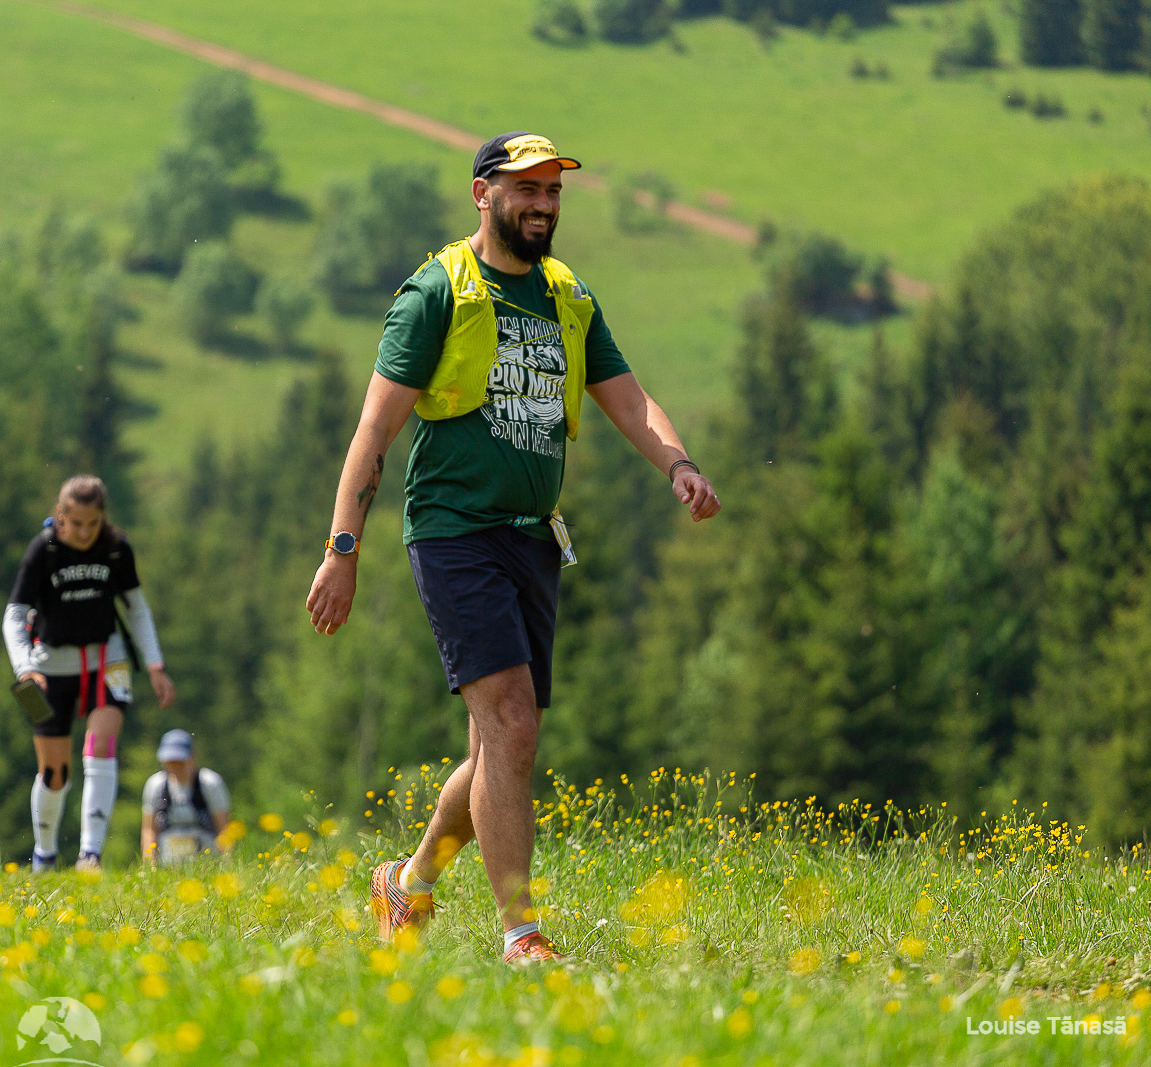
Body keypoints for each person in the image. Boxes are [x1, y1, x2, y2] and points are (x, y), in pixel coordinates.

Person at [305, 131, 721, 964]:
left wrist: (678, 463)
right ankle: (520, 934)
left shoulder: (567, 296)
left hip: (533, 538)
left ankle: (407, 881)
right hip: (454, 532)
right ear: (483, 193)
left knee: (497, 747)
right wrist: (342, 548)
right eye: (526, 188)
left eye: (553, 190)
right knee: (512, 725)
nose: (543, 203)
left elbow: (629, 398)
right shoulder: (437, 292)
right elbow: (374, 430)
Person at [3, 475, 176, 872]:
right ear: (60, 515)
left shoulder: (115, 548)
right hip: (48, 669)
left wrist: (155, 665)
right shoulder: (43, 550)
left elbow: (137, 608)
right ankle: (45, 854)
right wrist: (25, 668)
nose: (84, 533)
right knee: (55, 773)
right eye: (76, 523)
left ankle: (90, 856)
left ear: (103, 518)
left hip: (106, 662)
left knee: (101, 747)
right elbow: (14, 615)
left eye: (93, 523)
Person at [141, 729, 232, 865]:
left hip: (207, 862)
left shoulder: (210, 783)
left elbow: (223, 828)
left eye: (179, 761)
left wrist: (226, 863)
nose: (175, 766)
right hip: (168, 863)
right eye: (170, 762)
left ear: (192, 758)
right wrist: (149, 866)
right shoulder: (155, 785)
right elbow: (149, 830)